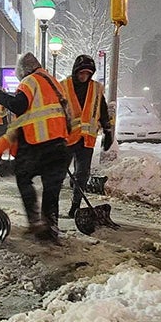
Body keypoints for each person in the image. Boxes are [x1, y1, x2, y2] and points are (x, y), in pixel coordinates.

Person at [0, 52, 72, 243]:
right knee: (52, 189)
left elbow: (19, 105)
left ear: (22, 71)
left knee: (24, 178)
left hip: (38, 144)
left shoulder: (30, 81)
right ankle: (50, 227)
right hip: (59, 145)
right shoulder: (53, 83)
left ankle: (35, 221)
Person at [60, 54, 113, 218]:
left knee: (83, 173)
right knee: (59, 173)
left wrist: (108, 131)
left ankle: (75, 205)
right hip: (66, 139)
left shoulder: (96, 88)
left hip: (87, 139)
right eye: (82, 73)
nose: (84, 76)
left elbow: (103, 111)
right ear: (75, 71)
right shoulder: (63, 87)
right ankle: (50, 207)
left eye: (88, 74)